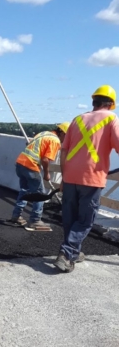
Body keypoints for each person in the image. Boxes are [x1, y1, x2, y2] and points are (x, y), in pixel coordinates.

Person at [54, 85, 119, 273]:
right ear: (111, 104)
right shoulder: (112, 119)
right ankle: (66, 254)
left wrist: (64, 178)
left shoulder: (77, 119)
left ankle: (74, 252)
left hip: (70, 177)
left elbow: (64, 151)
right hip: (92, 179)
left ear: (94, 101)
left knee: (70, 217)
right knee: (85, 220)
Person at [8, 123, 69, 231]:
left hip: (20, 163)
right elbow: (45, 159)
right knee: (40, 195)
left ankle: (16, 216)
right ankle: (35, 220)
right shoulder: (55, 141)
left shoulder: (44, 133)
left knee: (25, 191)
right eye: (67, 136)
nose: (67, 140)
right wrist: (46, 173)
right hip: (30, 166)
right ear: (63, 133)